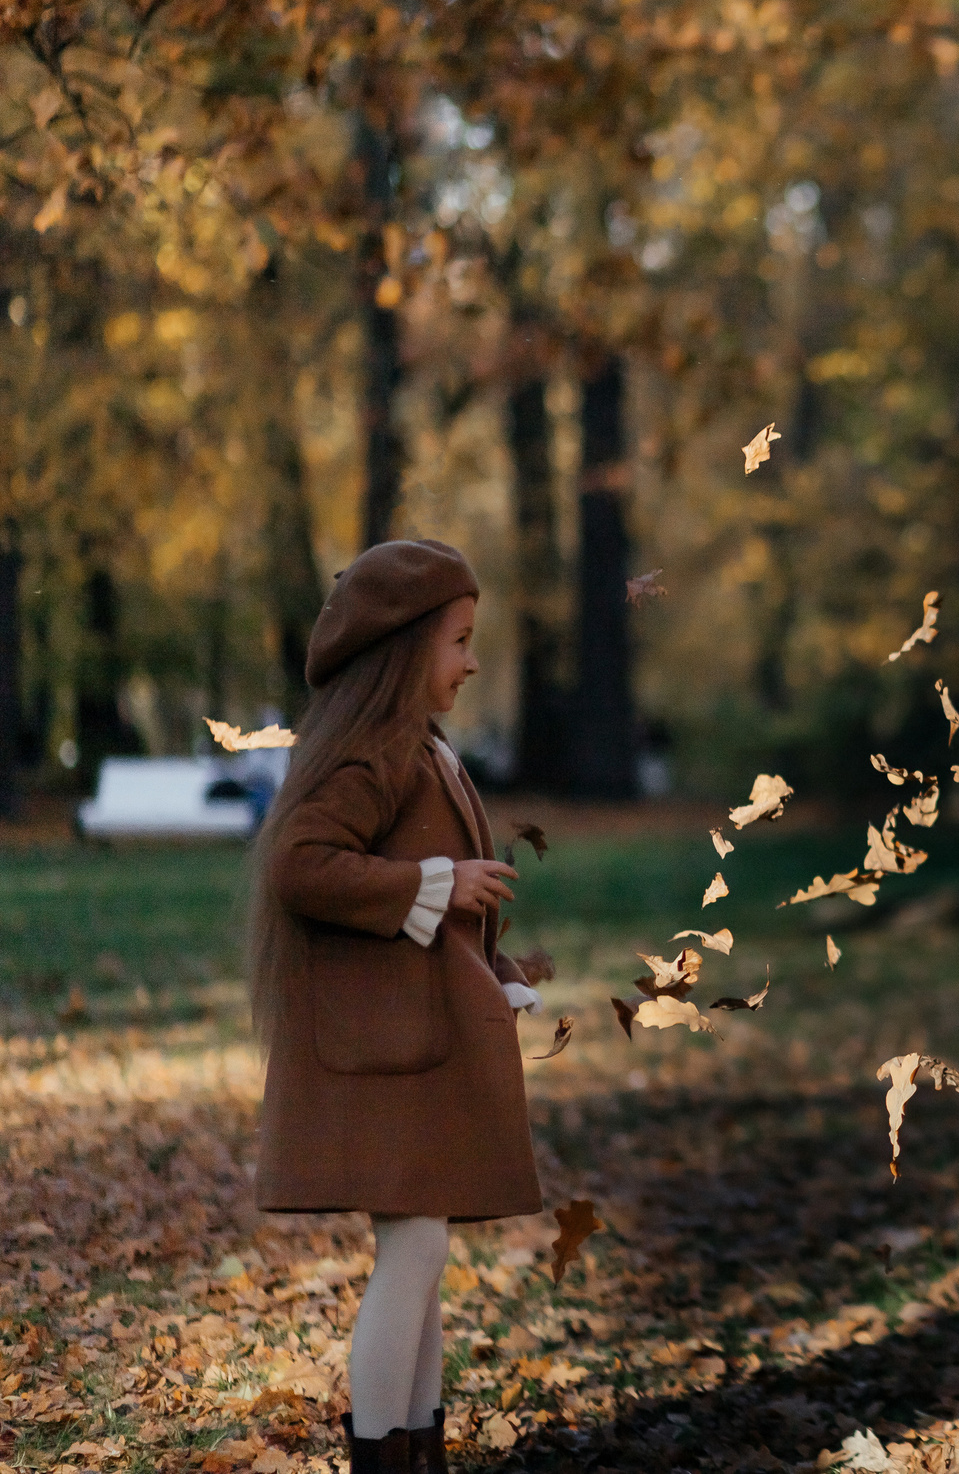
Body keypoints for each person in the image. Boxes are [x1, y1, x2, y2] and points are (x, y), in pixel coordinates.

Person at [245, 540, 547, 1474]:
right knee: (412, 1255)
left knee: (424, 1259)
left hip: (416, 1049)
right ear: (405, 647)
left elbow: (445, 900)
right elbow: (302, 865)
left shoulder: (426, 750)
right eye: (458, 640)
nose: (471, 660)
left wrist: (495, 970)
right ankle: (387, 1455)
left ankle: (418, 1450)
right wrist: (434, 881)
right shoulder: (374, 752)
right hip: (387, 1057)